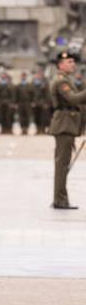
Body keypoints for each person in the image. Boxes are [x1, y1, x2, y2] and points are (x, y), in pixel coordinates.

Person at [49, 51, 86, 210]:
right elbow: (72, 99)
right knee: (62, 165)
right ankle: (60, 200)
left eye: (73, 62)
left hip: (68, 125)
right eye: (70, 62)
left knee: (63, 164)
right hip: (64, 125)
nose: (73, 65)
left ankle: (60, 198)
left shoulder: (66, 80)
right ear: (61, 65)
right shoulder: (60, 81)